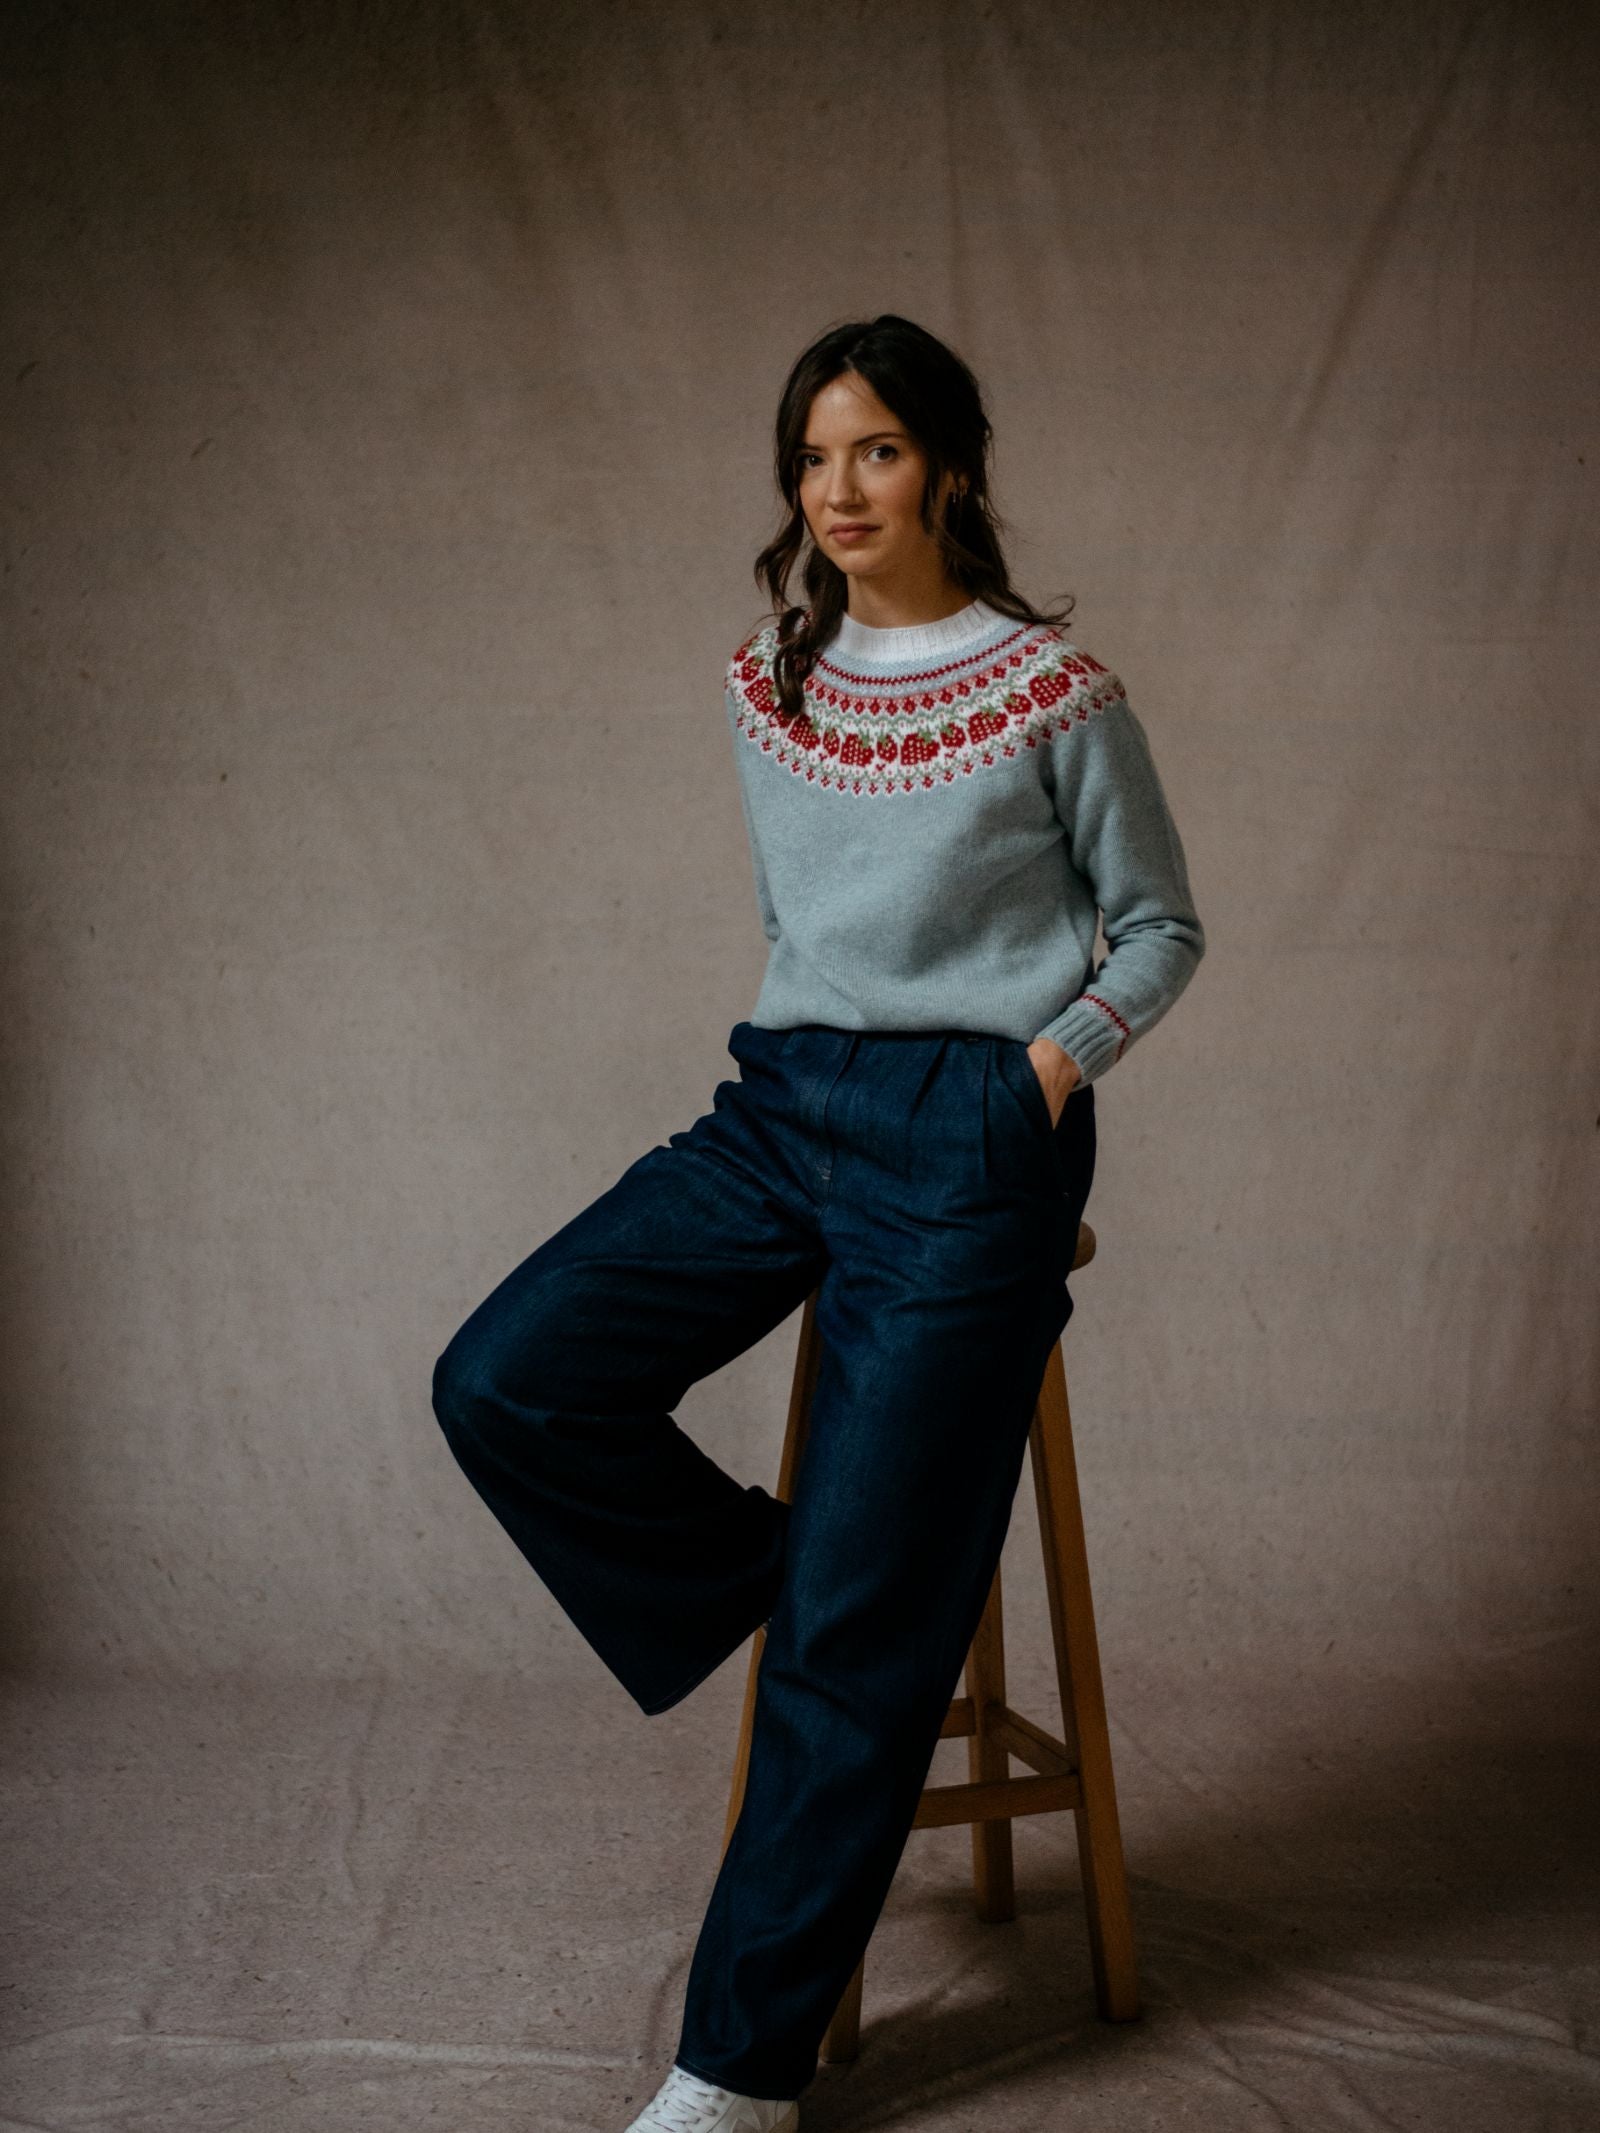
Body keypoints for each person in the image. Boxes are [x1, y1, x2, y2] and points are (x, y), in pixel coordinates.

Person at [431, 312, 1206, 2133]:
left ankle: (735, 2074)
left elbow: (1159, 926)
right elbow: (816, 935)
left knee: (865, 1631)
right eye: (810, 457)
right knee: (506, 1379)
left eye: (871, 451)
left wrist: (1045, 1071)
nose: (836, 490)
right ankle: (807, 1584)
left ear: (945, 462)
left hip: (974, 1139)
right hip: (784, 1107)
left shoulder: (1054, 689)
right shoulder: (766, 682)